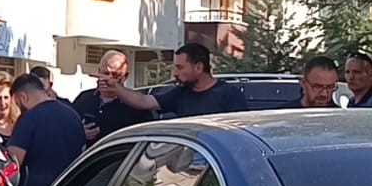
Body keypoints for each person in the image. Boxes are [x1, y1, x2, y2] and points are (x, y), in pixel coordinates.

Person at [7, 73, 87, 186]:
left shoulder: (28, 119)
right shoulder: (72, 115)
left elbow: (13, 164)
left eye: (18, 104)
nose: (19, 109)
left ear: (23, 97)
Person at [108, 43, 248, 117]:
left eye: (180, 68)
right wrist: (115, 87)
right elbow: (143, 101)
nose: (175, 73)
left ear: (198, 67)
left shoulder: (229, 95)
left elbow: (240, 135)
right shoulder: (180, 94)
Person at [73, 49, 155, 144]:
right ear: (99, 72)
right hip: (91, 156)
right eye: (106, 73)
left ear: (126, 76)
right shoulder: (84, 98)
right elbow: (67, 129)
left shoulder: (136, 105)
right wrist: (80, 133)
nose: (109, 79)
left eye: (116, 75)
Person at [274, 56, 342, 109]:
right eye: (317, 87)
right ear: (303, 83)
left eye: (330, 87)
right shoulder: (283, 115)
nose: (324, 94)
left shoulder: (340, 118)